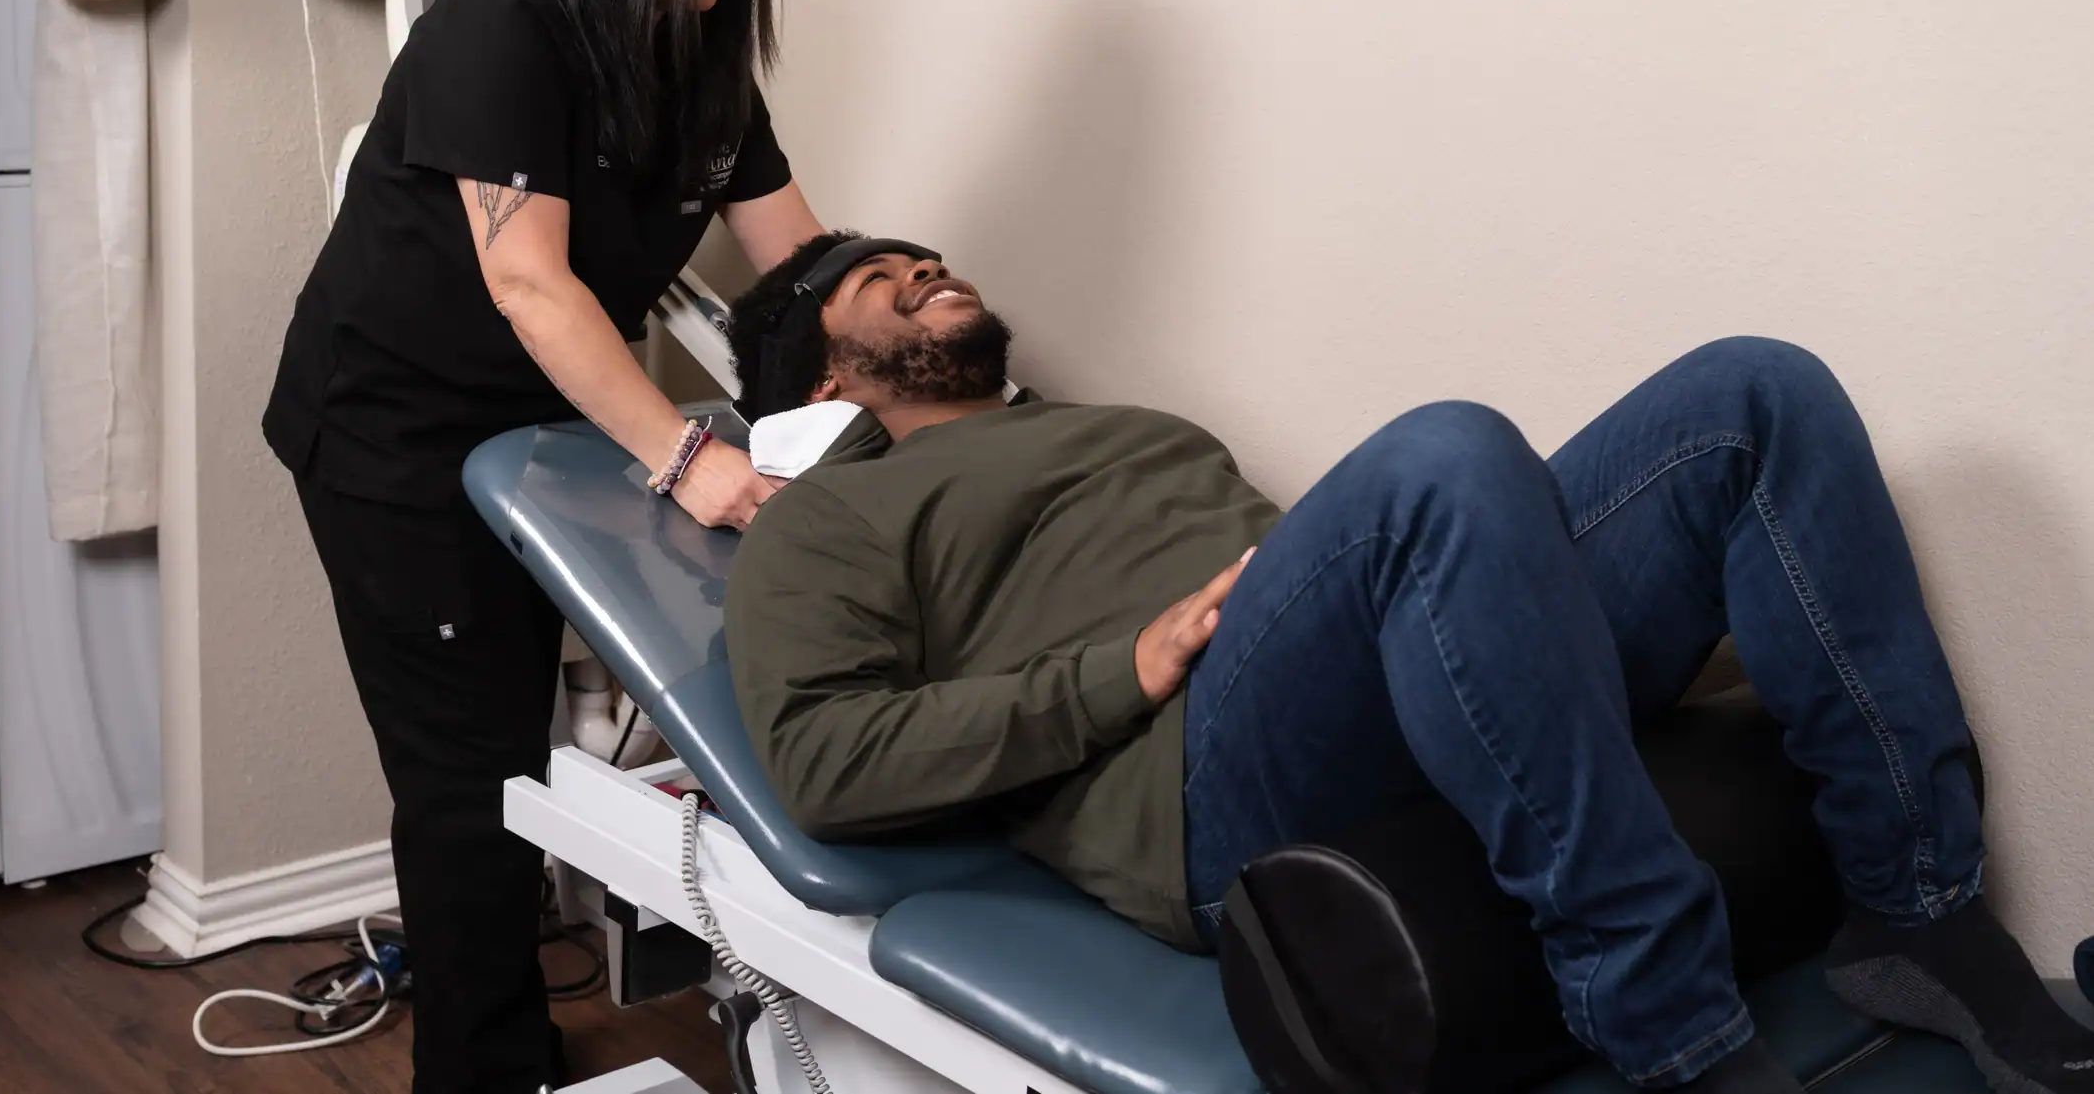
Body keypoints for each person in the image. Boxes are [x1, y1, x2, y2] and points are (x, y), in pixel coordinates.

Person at [721, 233, 2094, 1094]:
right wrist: (1120, 670)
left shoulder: (1116, 424)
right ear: (827, 391)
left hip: (1347, 676)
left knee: (1757, 392)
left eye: (924, 257)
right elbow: (829, 760)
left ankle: (1921, 909)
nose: (926, 269)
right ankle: (1672, 1029)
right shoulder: (825, 517)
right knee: (1444, 452)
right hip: (1194, 773)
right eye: (879, 283)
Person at [261, 0, 825, 1094]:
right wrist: (689, 454)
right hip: (394, 435)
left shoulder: (704, 68)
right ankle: (484, 1067)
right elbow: (530, 279)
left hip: (553, 435)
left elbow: (798, 258)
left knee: (515, 743)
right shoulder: (501, 29)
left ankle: (510, 1028)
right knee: (472, 777)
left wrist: (904, 352)